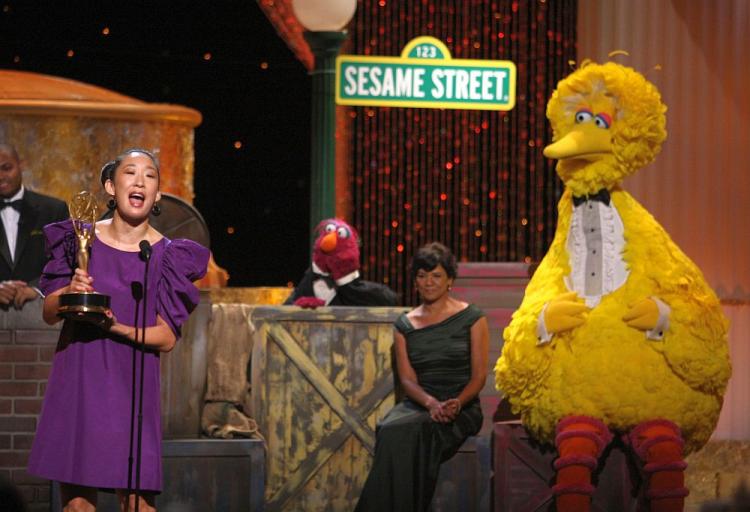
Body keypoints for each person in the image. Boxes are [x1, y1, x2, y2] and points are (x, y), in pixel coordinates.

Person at [27, 148, 209, 512]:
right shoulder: (79, 239)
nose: (140, 180)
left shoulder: (165, 254)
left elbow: (167, 338)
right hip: (79, 376)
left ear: (156, 194)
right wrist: (69, 292)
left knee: (138, 505)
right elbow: (48, 312)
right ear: (111, 186)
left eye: (150, 175)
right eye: (130, 172)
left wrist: (116, 326)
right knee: (78, 506)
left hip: (132, 387)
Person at [355, 242, 489, 511]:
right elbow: (407, 380)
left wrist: (456, 403)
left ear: (450, 279)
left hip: (461, 405)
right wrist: (431, 404)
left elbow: (479, 377)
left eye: (436, 275)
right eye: (422, 275)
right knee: (391, 428)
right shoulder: (404, 324)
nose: (429, 282)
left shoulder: (472, 317)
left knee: (411, 431)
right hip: (420, 402)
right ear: (415, 280)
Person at [0, 144, 69, 309]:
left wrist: (37, 287)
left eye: (6, 168)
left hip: (42, 316)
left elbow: (66, 260)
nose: (1, 176)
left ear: (21, 165)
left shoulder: (54, 210)